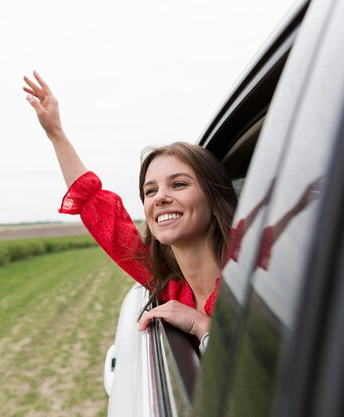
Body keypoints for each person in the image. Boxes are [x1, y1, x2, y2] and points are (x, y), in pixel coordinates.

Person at [22, 71, 237, 348]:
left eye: (179, 184)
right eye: (150, 191)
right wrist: (56, 134)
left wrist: (200, 325)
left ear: (213, 198)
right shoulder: (169, 284)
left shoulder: (251, 282)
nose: (160, 197)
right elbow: (100, 211)